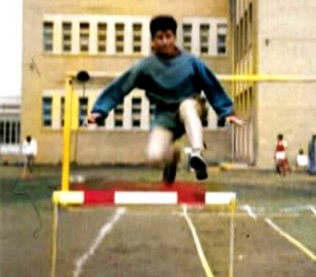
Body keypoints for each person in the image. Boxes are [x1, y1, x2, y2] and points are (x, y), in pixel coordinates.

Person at [87, 15, 244, 183]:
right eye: (159, 38)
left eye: (168, 36)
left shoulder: (191, 62)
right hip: (164, 114)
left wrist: (226, 111)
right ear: (153, 41)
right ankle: (172, 157)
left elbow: (211, 85)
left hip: (191, 106)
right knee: (154, 156)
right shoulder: (145, 67)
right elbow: (121, 86)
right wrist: (99, 111)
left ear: (174, 38)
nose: (164, 42)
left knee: (187, 107)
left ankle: (196, 153)